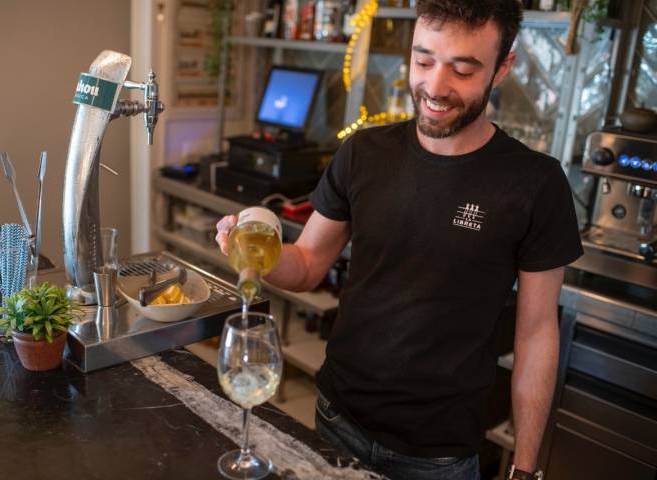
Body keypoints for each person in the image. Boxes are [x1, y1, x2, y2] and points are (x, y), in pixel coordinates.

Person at [215, 1, 583, 478]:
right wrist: (254, 254)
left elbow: (536, 335)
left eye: (463, 70)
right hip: (336, 418)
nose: (434, 87)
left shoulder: (535, 184)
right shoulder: (364, 153)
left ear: (502, 68)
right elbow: (306, 264)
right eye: (424, 60)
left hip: (438, 456)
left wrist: (527, 468)